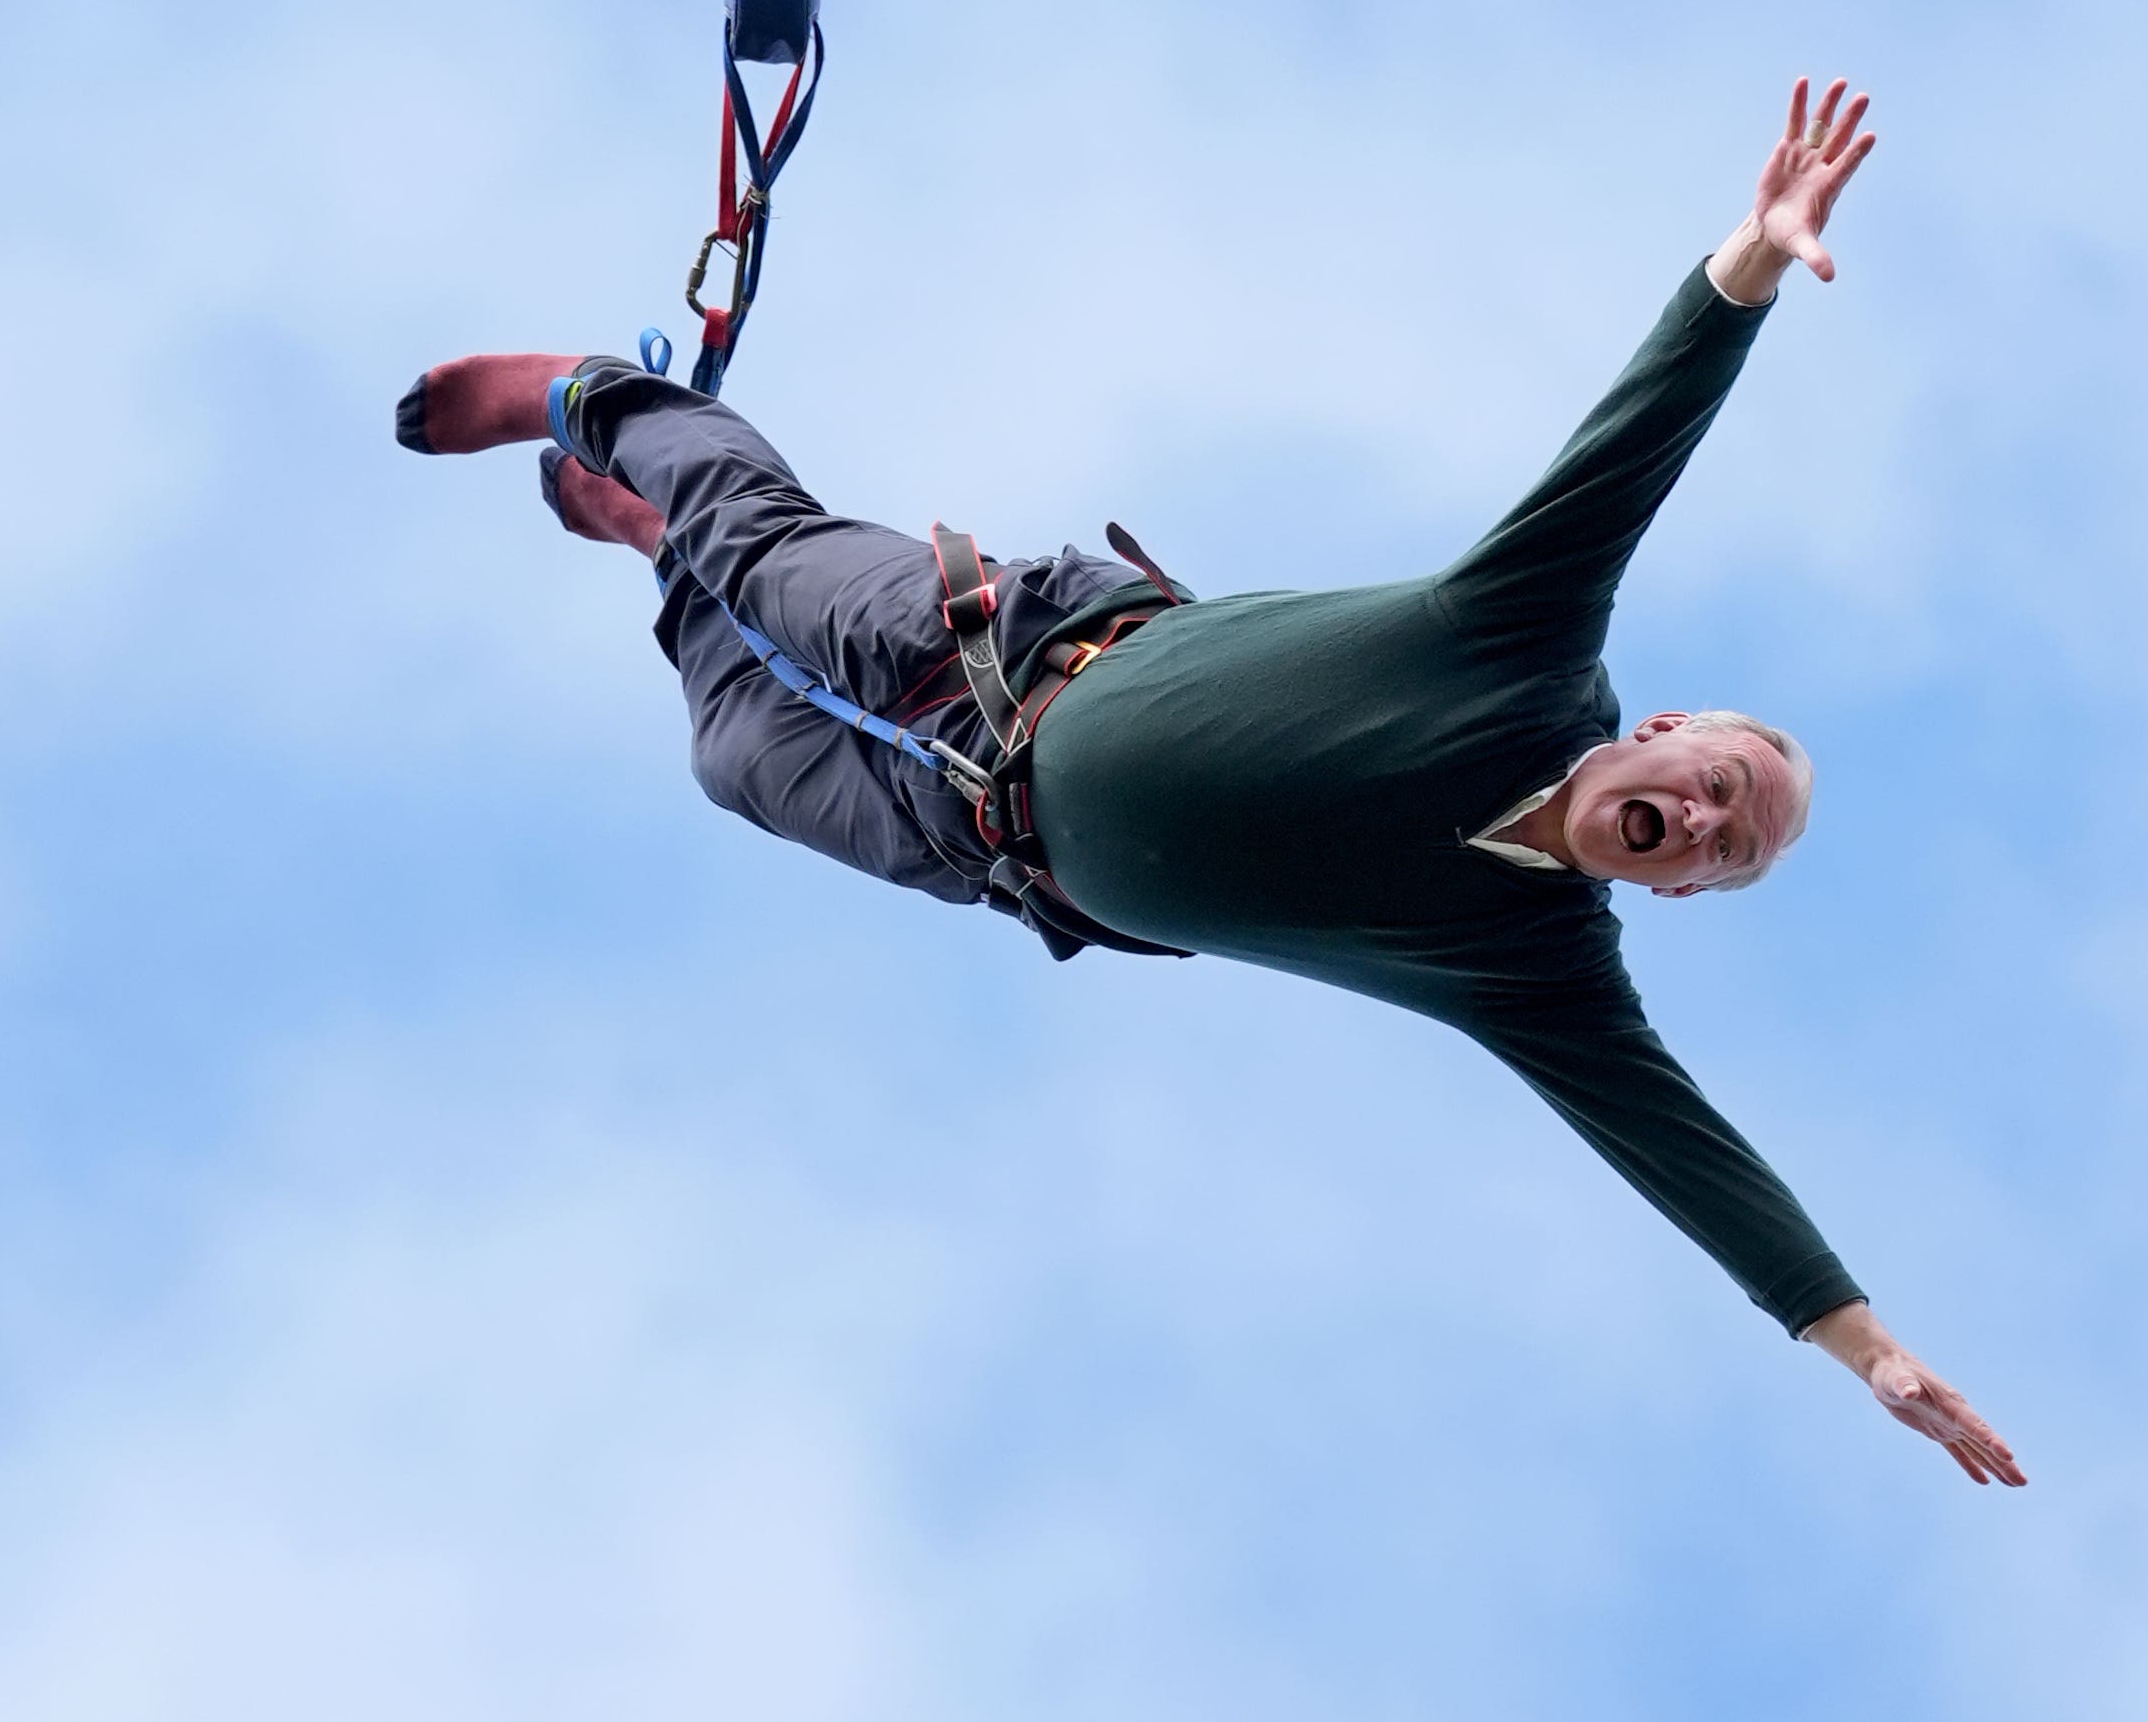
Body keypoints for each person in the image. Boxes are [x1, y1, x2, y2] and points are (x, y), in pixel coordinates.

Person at [398, 76, 2024, 1487]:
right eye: (1722, 781)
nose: (1712, 817)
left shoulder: (1536, 971)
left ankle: (645, 532)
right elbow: (1635, 437)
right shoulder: (1520, 649)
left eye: (1723, 850)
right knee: (764, 555)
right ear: (1660, 730)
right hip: (997, 644)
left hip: (973, 839)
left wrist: (1866, 1351)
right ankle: (597, 403)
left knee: (726, 751)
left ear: (1670, 886)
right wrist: (1751, 260)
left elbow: (1688, 1156)